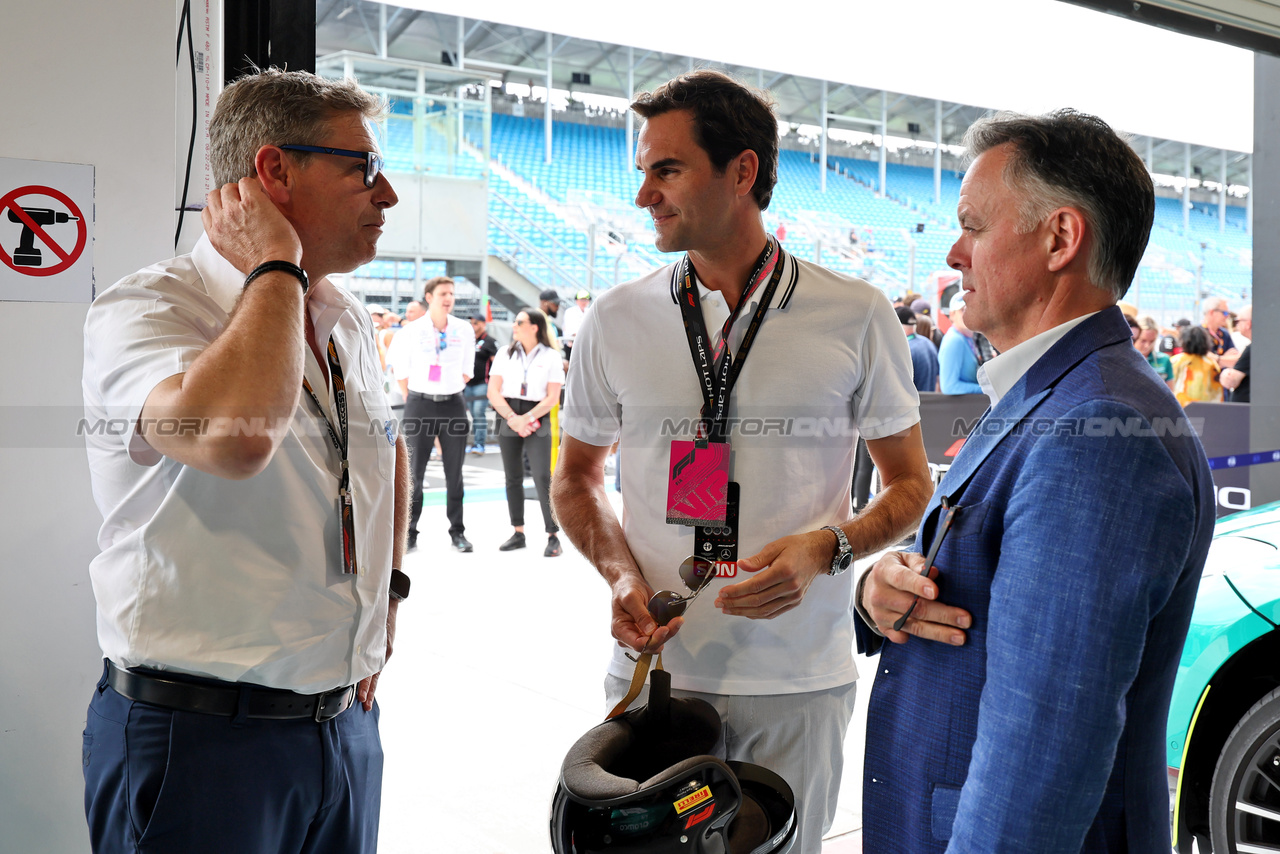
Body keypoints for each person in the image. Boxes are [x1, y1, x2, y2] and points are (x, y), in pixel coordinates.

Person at [551, 70, 932, 854]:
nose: (643, 196)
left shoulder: (855, 314)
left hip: (799, 678)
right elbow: (576, 479)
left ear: (744, 171)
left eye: (667, 169)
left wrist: (830, 549)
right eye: (642, 173)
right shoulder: (615, 319)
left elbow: (911, 485)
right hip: (658, 675)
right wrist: (623, 578)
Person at [855, 109, 1215, 853]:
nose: (954, 252)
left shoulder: (1095, 431)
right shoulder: (1058, 395)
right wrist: (877, 593)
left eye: (973, 226)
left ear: (1060, 238)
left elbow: (1042, 750)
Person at [80, 67, 407, 853]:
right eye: (361, 166)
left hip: (343, 725)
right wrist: (274, 266)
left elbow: (382, 453)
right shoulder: (149, 308)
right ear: (272, 172)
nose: (387, 192)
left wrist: (388, 593)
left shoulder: (346, 316)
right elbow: (233, 438)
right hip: (202, 738)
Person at [388, 275, 474, 552]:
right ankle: (409, 532)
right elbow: (400, 369)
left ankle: (457, 532)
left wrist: (447, 388)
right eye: (443, 294)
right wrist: (415, 394)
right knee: (414, 473)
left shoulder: (463, 329)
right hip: (419, 405)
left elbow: (466, 370)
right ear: (429, 297)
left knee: (455, 473)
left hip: (453, 405)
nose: (448, 298)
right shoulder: (411, 331)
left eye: (451, 293)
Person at [488, 308, 566, 556]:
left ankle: (553, 535)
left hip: (537, 415)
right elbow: (493, 391)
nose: (514, 325)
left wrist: (528, 418)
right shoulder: (504, 353)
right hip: (508, 413)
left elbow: (553, 397)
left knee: (543, 476)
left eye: (519, 322)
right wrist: (513, 418)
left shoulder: (552, 356)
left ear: (534, 327)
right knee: (512, 477)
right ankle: (518, 532)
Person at [465, 315, 498, 454]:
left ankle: (479, 444)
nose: (473, 325)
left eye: (476, 323)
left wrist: (495, 385)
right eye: (471, 323)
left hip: (482, 384)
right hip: (467, 384)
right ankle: (476, 443)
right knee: (472, 414)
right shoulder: (468, 340)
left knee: (479, 413)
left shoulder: (490, 341)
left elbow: (496, 363)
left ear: (483, 324)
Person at [937, 293, 983, 394]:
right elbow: (949, 387)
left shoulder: (968, 338)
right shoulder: (954, 340)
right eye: (962, 310)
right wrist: (987, 390)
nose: (968, 314)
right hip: (963, 407)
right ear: (952, 314)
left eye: (971, 309)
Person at [1171, 325, 1224, 405]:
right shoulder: (1211, 364)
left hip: (1179, 409)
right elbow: (1217, 394)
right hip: (1204, 410)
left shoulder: (1176, 361)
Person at [898, 305, 939, 393]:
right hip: (930, 402)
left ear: (897, 325)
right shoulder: (928, 343)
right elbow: (937, 381)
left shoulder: (905, 350)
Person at [1135, 314, 1173, 389]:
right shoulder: (1126, 360)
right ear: (1134, 337)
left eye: (1152, 341)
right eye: (1143, 341)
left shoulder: (1164, 360)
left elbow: (1170, 393)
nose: (1147, 346)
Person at [1200, 296, 1239, 369]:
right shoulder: (1197, 334)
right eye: (1225, 313)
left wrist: (1217, 359)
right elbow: (1202, 362)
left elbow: (1236, 360)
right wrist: (1225, 359)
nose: (1227, 316)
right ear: (1211, 312)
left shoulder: (1225, 334)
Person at [561, 288, 592, 358]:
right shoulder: (570, 312)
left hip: (585, 343)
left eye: (586, 300)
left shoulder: (590, 311)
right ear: (577, 301)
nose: (584, 302)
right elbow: (569, 328)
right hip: (572, 343)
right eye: (582, 300)